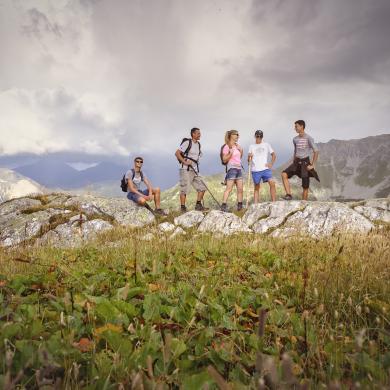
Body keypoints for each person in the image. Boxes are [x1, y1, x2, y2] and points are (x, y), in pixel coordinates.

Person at [281, 120, 320, 201]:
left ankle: (304, 203)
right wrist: (293, 161)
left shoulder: (309, 138)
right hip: (296, 162)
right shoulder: (295, 139)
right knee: (284, 174)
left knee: (305, 186)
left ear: (302, 126)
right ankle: (288, 195)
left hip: (305, 163)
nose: (295, 128)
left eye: (296, 126)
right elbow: (295, 151)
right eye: (295, 126)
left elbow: (316, 151)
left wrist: (313, 165)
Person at [175, 128, 208, 212]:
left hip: (195, 170)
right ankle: (183, 208)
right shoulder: (187, 142)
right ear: (193, 134)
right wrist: (184, 162)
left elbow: (197, 155)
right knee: (184, 188)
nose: (200, 135)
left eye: (200, 133)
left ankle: (198, 205)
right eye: (198, 133)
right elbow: (177, 153)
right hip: (186, 169)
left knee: (203, 186)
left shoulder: (198, 144)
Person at [248, 130, 276, 203]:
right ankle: (256, 205)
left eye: (260, 136)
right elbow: (249, 160)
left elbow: (273, 155)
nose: (259, 138)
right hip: (255, 170)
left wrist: (271, 163)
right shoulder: (251, 146)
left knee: (272, 183)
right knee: (256, 187)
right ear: (255, 136)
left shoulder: (266, 144)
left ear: (262, 137)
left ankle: (274, 202)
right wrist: (249, 156)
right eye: (257, 136)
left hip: (265, 169)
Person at [220, 130, 244, 212]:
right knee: (229, 188)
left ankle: (240, 207)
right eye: (236, 134)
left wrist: (241, 150)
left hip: (239, 168)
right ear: (231, 136)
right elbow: (224, 159)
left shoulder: (237, 145)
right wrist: (230, 153)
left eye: (238, 134)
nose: (238, 136)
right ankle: (223, 206)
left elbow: (239, 158)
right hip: (232, 169)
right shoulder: (227, 146)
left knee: (240, 189)